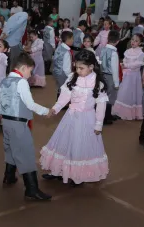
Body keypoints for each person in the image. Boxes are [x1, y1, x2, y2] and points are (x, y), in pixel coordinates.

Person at [40, 49, 109, 186]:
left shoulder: (98, 83)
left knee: (80, 146)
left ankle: (78, 174)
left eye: (81, 68)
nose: (78, 70)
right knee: (63, 143)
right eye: (76, 67)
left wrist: (98, 124)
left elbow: (101, 106)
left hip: (87, 119)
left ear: (91, 67)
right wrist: (56, 108)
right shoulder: (73, 77)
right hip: (70, 117)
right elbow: (65, 96)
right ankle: (58, 170)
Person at [0, 52, 52, 201]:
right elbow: (29, 104)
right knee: (25, 153)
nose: (30, 74)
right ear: (24, 68)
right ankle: (31, 189)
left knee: (11, 148)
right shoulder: (21, 82)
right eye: (30, 71)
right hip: (18, 123)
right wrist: (46, 111)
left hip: (6, 122)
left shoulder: (5, 81)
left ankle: (9, 176)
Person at [113, 34, 144, 120]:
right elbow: (124, 60)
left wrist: (126, 65)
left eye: (136, 41)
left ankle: (132, 112)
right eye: (132, 40)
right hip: (126, 75)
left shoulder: (140, 53)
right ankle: (120, 111)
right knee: (123, 91)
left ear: (140, 43)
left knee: (132, 92)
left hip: (134, 76)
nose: (133, 42)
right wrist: (123, 64)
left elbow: (137, 64)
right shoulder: (127, 51)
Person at [100, 30, 120, 125]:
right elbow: (115, 69)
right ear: (117, 41)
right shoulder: (114, 53)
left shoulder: (103, 49)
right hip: (111, 77)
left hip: (103, 75)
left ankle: (105, 115)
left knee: (103, 95)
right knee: (110, 97)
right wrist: (116, 83)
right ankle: (106, 117)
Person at [53, 31, 74, 100]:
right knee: (64, 88)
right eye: (72, 38)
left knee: (60, 87)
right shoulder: (66, 52)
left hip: (57, 71)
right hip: (63, 73)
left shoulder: (59, 47)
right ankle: (62, 103)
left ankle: (58, 100)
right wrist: (70, 76)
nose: (73, 40)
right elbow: (66, 68)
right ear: (68, 39)